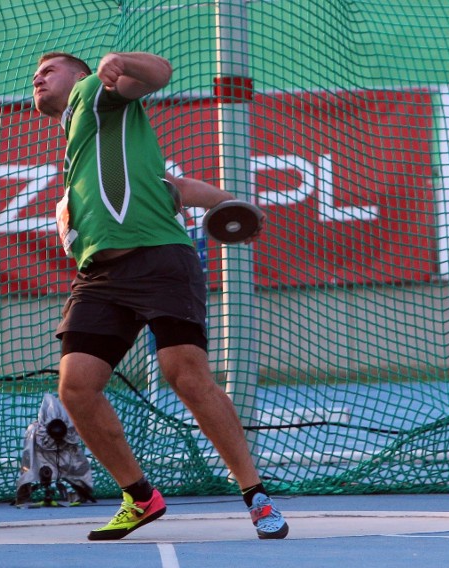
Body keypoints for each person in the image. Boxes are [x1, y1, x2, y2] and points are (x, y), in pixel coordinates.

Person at [32, 50, 288, 541]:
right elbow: (174, 187)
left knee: (185, 375)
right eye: (35, 76)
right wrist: (232, 205)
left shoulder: (96, 97)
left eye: (49, 71)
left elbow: (159, 74)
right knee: (77, 386)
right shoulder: (86, 143)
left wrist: (118, 61)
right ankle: (141, 497)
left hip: (159, 260)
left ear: (82, 78)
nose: (39, 80)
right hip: (99, 278)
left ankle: (256, 496)